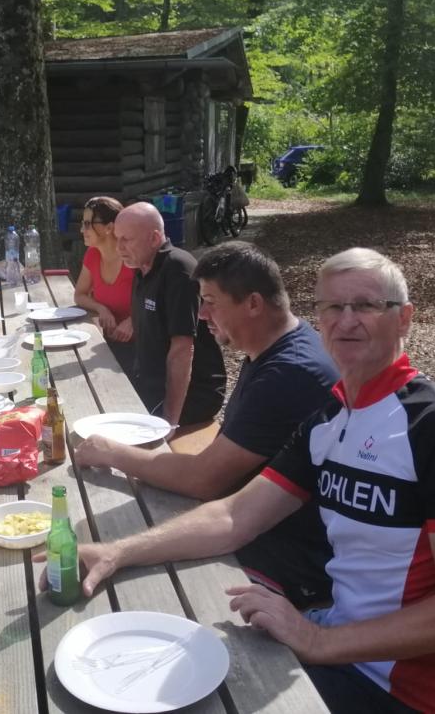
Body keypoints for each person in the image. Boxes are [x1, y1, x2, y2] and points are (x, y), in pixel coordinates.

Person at [44, 248, 435, 714]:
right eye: (332, 307)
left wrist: (317, 639)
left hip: (406, 692)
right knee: (149, 660)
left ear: (403, 319)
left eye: (366, 305)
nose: (346, 321)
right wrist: (117, 552)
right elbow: (234, 515)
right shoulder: (330, 417)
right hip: (332, 640)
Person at [74, 240, 337, 607]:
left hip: (292, 559)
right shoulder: (278, 347)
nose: (201, 314)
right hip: (247, 517)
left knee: (133, 591)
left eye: (211, 301)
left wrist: (111, 452)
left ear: (253, 303)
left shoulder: (289, 373)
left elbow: (204, 479)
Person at [113, 202, 224, 425]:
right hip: (150, 384)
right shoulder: (143, 267)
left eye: (127, 239)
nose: (118, 248)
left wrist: (170, 420)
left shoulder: (178, 268)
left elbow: (183, 349)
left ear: (154, 238)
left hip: (192, 394)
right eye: (117, 239)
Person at [72, 196, 135, 374]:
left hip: (141, 349)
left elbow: (158, 300)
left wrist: (135, 321)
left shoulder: (133, 257)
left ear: (109, 228)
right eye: (82, 224)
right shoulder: (93, 254)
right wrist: (101, 309)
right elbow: (79, 295)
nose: (82, 230)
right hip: (107, 344)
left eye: (87, 224)